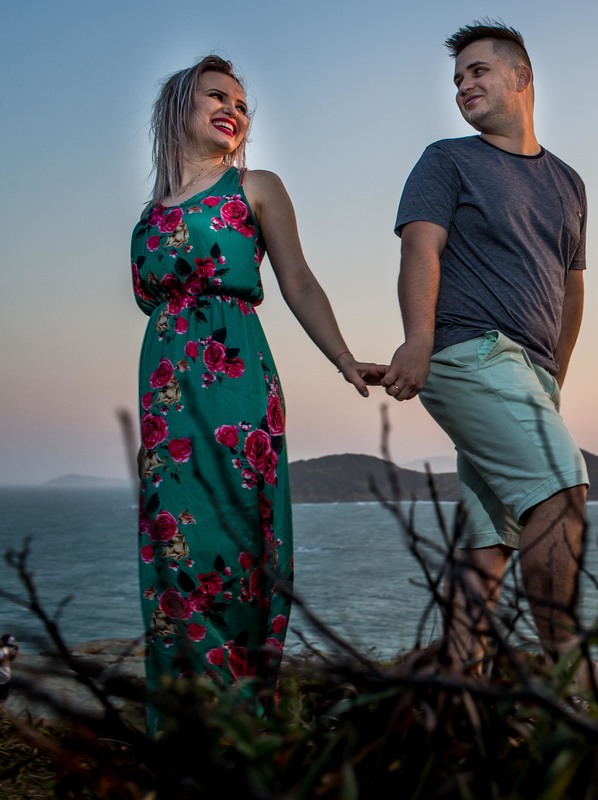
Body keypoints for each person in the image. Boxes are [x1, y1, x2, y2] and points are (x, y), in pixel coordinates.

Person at [131, 55, 382, 732]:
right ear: (178, 108)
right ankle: (182, 726)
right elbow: (153, 309)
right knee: (173, 547)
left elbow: (298, 280)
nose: (232, 110)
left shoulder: (255, 187)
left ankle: (241, 723)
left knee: (239, 539)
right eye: (217, 96)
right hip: (165, 397)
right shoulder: (149, 215)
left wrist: (343, 358)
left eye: (241, 104)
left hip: (236, 378)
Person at [383, 21, 598, 686]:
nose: (463, 86)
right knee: (560, 488)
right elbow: (420, 248)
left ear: (521, 77)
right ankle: (570, 672)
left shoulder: (569, 183)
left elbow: (571, 286)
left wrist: (555, 377)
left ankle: (459, 683)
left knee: (490, 541)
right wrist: (418, 340)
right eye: (458, 78)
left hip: (531, 372)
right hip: (470, 352)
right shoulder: (447, 160)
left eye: (478, 71)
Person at [0, 634, 17, 703]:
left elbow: (9, 659)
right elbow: (2, 661)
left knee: (2, 700)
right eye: (5, 644)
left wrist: (15, 652)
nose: (5, 645)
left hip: (6, 678)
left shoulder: (5, 649)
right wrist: (6, 657)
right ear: (1, 640)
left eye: (7, 645)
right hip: (2, 677)